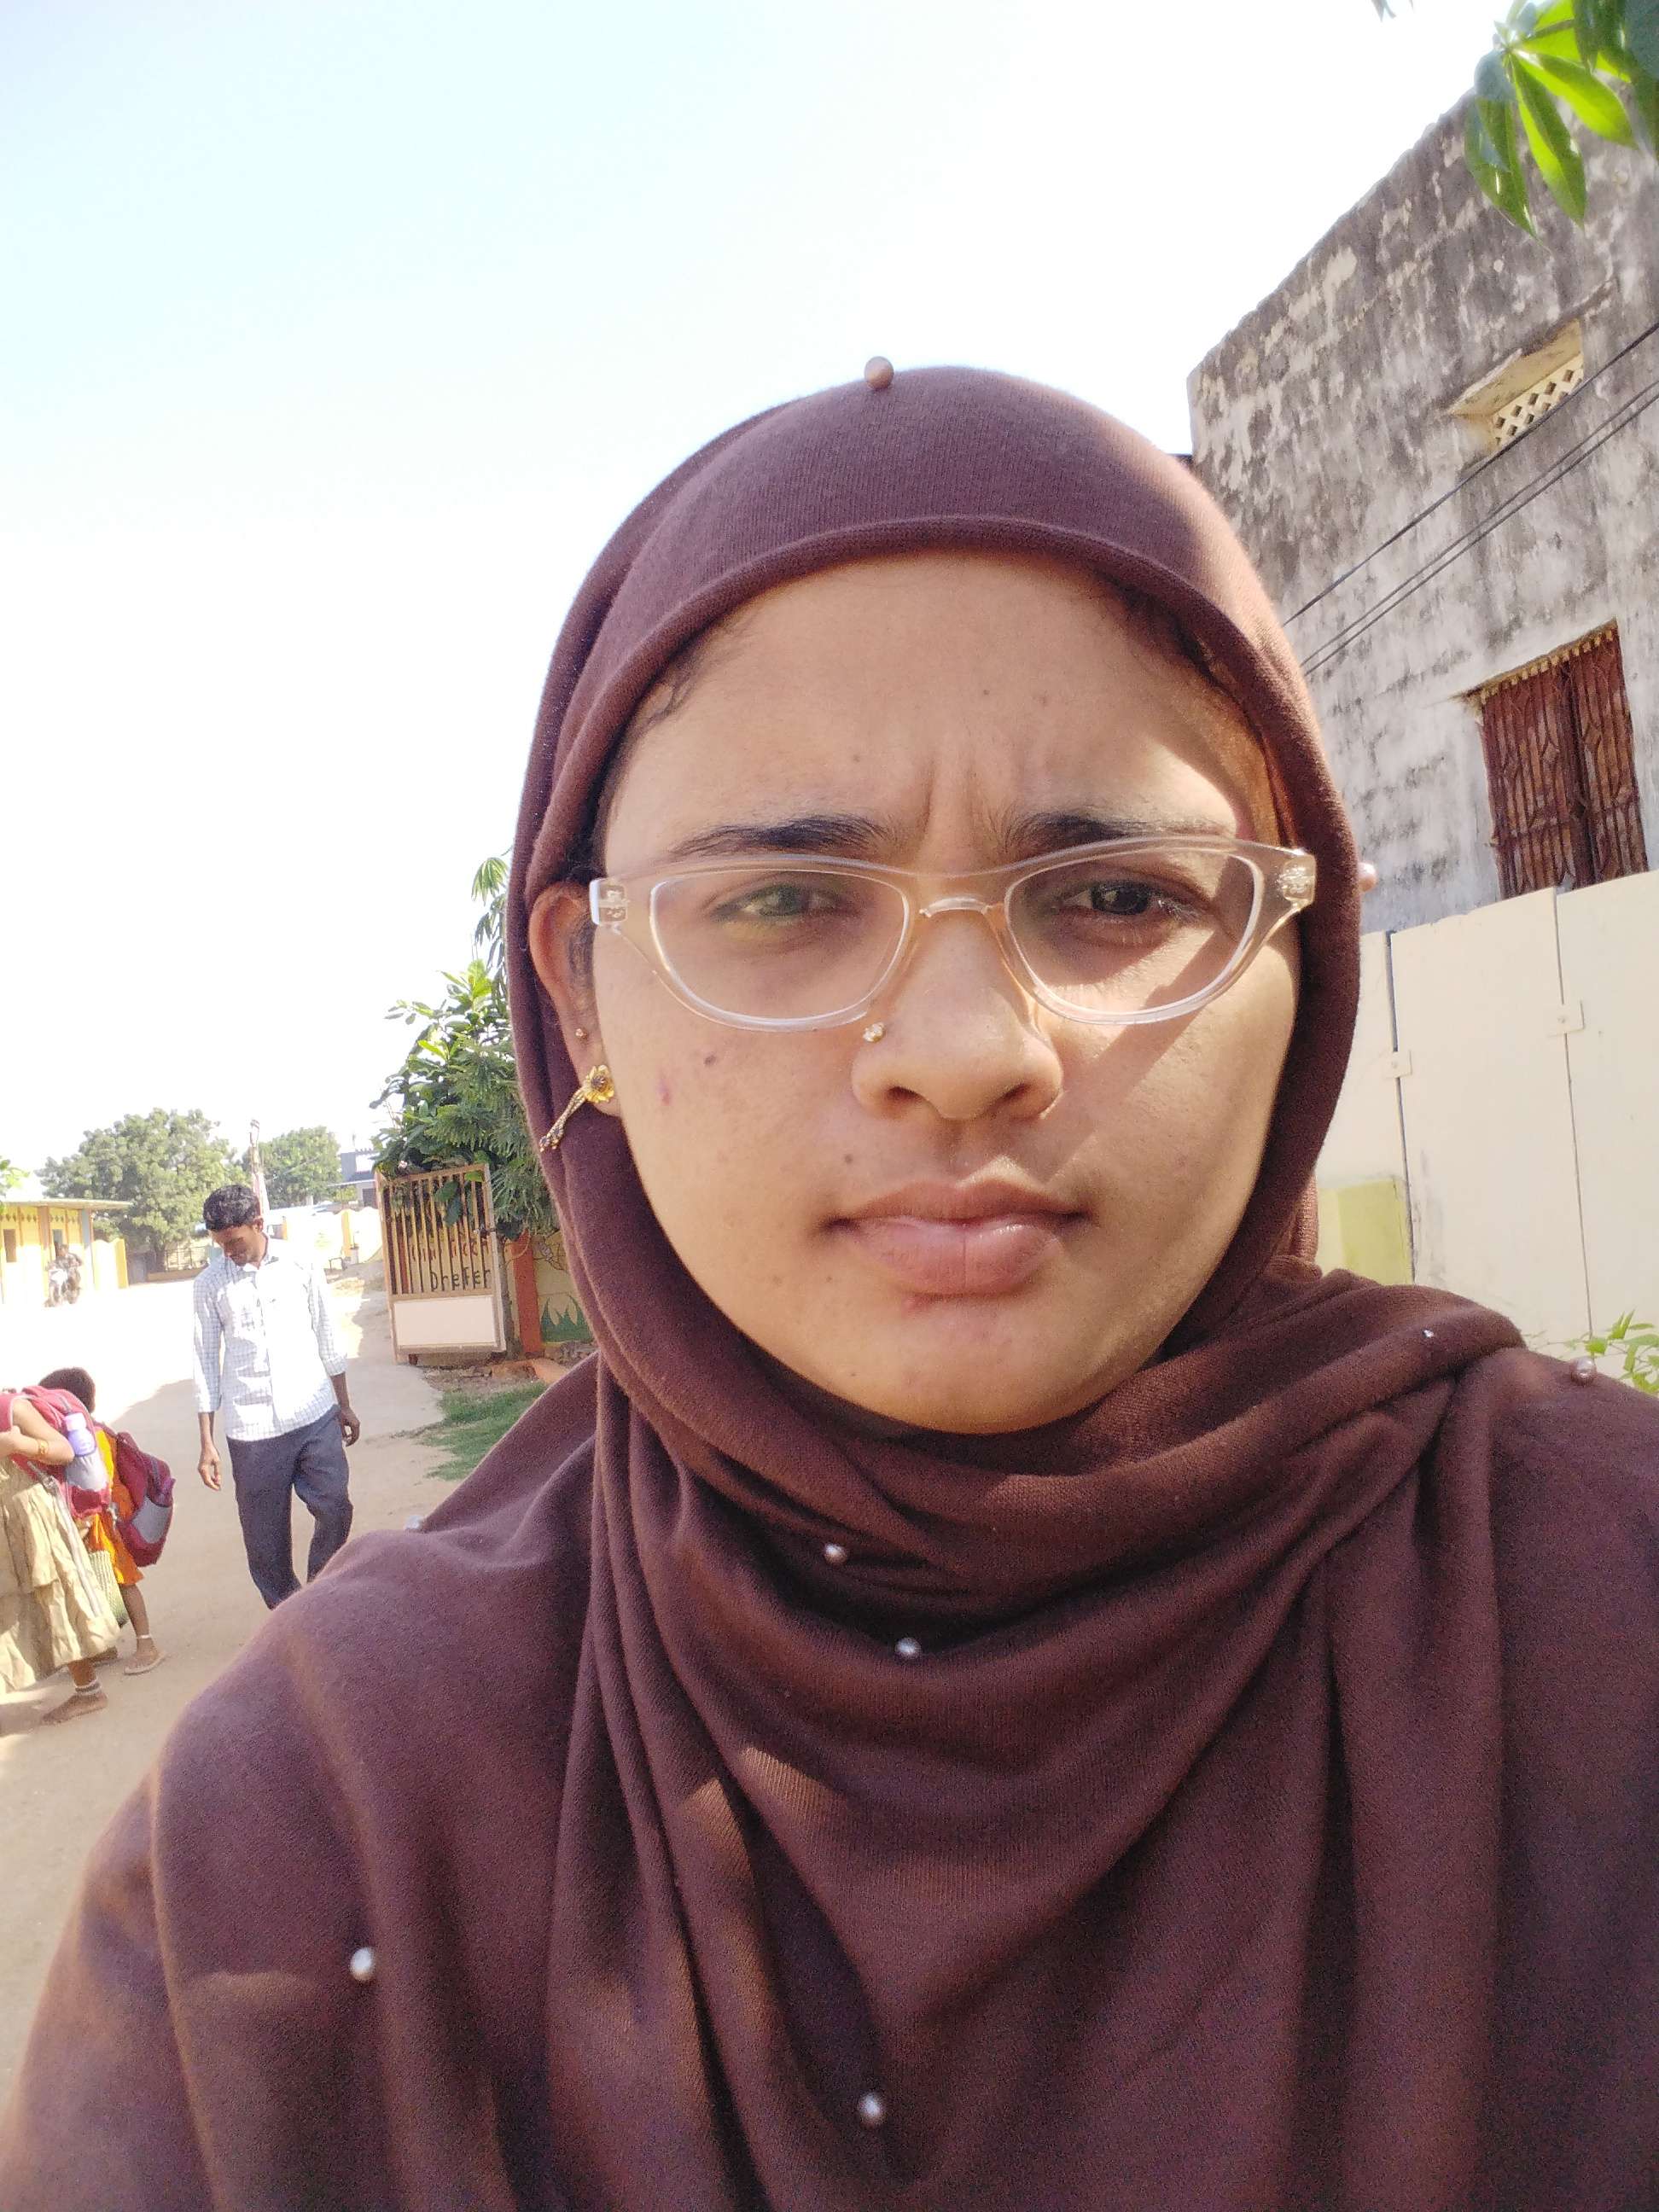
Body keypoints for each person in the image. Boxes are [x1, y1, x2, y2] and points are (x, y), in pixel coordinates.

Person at [3, 367, 1657, 2210]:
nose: (962, 1053)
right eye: (787, 907)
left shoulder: (1602, 1610)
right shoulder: (308, 1835)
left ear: (1302, 945)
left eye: (1116, 896)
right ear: (579, 996)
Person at [191, 1183, 361, 1608]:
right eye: (220, 1244)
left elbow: (326, 1332)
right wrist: (207, 1442)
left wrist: (344, 1403)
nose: (228, 1251)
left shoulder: (300, 1263)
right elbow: (205, 1361)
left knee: (335, 1506)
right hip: (253, 1432)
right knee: (265, 1544)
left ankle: (319, 1597)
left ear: (257, 1223)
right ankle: (288, 1613)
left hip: (314, 1413)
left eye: (234, 1241)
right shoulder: (210, 1285)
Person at [0, 1388, 121, 1724]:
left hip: (35, 1522)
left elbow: (63, 1450)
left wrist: (18, 1444)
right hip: (7, 1527)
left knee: (55, 1599)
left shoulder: (11, 1408)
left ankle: (89, 1691)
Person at [38, 1365, 165, 1678]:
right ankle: (103, 1646)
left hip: (106, 1524)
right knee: (95, 1583)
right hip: (92, 1522)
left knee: (124, 1580)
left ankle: (147, 1644)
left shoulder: (92, 1437)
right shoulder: (82, 1434)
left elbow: (98, 1485)